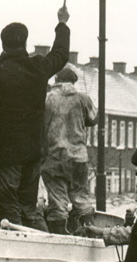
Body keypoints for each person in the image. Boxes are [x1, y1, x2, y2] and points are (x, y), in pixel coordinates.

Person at [0, 1, 70, 230]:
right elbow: (61, 54)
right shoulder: (38, 67)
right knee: (29, 208)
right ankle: (44, 247)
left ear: (3, 46)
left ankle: (20, 251)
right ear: (25, 43)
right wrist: (62, 23)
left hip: (7, 155)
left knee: (9, 208)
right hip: (35, 151)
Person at [41, 67, 97, 234]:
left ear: (56, 80)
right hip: (79, 157)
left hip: (54, 157)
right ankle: (90, 232)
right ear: (74, 82)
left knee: (58, 201)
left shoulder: (47, 99)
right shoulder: (82, 99)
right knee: (81, 198)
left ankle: (59, 238)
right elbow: (94, 119)